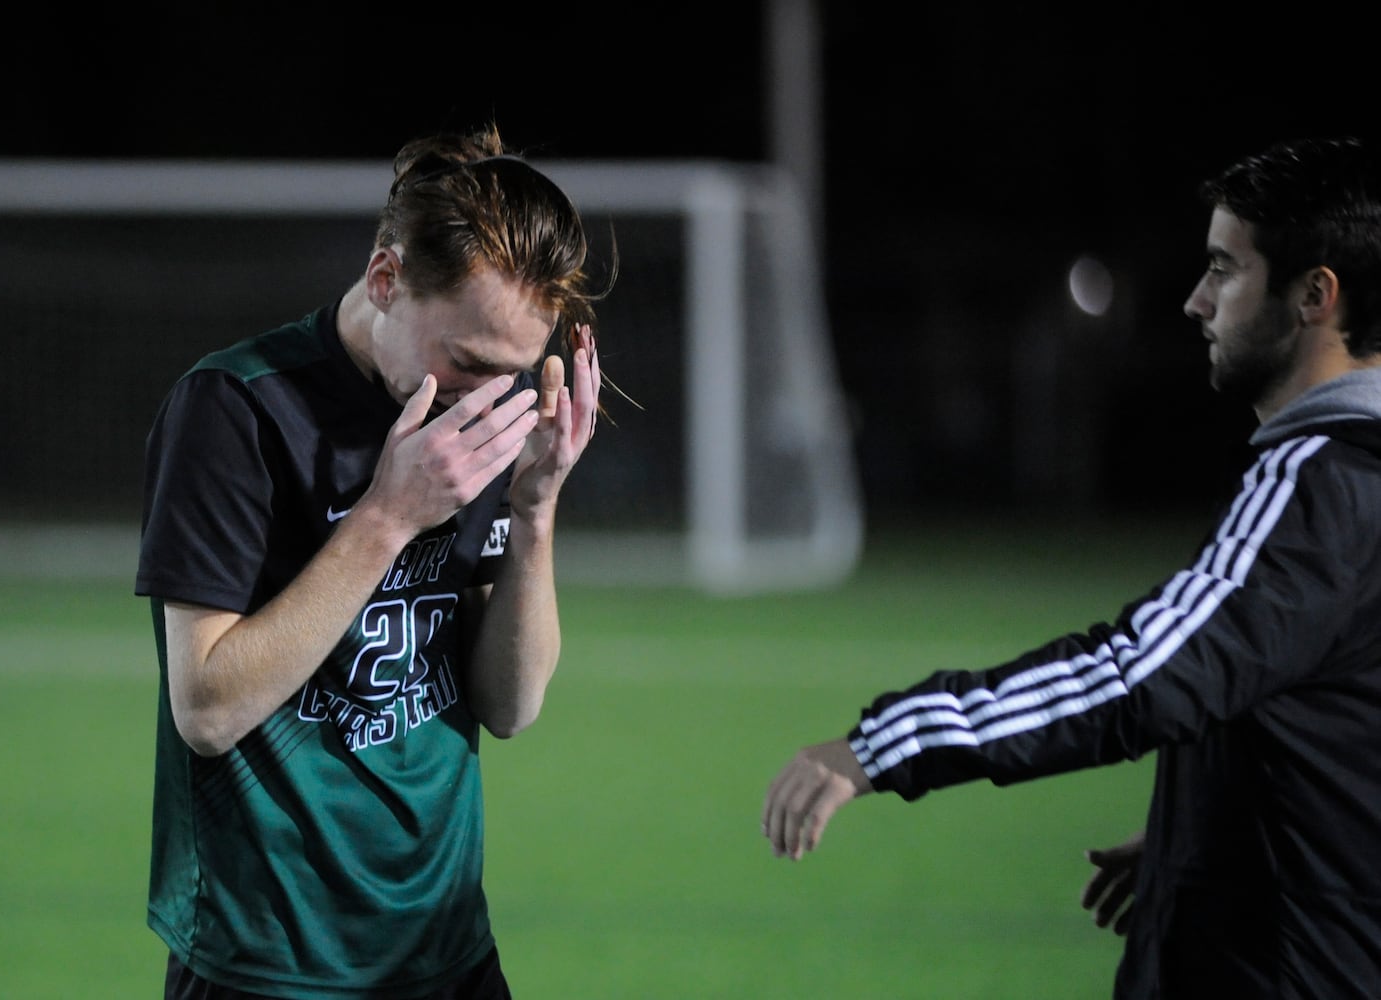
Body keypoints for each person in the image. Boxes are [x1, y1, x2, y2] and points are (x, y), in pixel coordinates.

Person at [760, 135, 1381, 997]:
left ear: (1314, 295)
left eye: (1223, 270)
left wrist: (886, 744)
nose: (1196, 302)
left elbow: (1139, 671)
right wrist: (1200, 837)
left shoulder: (1318, 481)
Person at [135, 123, 607, 999]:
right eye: (467, 361)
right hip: (269, 955)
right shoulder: (235, 410)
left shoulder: (479, 422)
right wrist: (387, 517)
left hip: (443, 943)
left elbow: (510, 706)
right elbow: (207, 709)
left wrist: (534, 509)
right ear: (385, 278)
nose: (486, 395)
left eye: (510, 372)